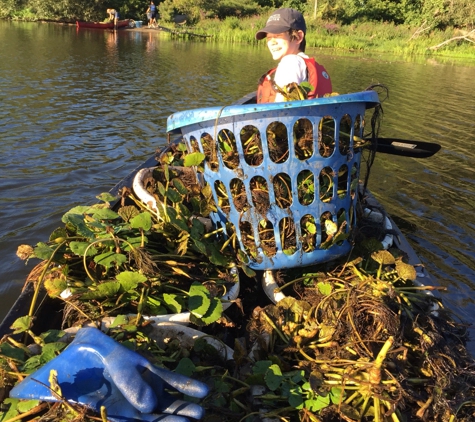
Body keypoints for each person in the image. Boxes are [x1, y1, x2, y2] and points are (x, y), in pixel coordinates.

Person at [255, 8, 332, 103]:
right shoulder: (307, 63)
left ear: (298, 37)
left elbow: (282, 109)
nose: (272, 42)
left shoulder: (290, 62)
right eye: (269, 38)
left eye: (278, 36)